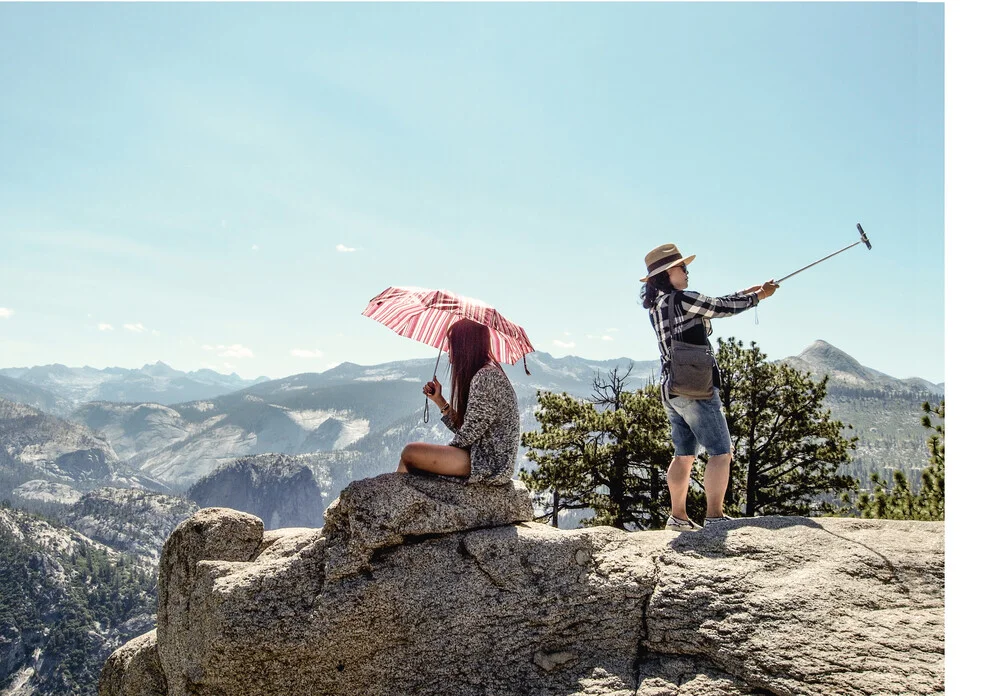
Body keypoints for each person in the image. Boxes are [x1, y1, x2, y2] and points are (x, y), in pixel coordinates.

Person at [640, 243, 779, 530]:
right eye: (682, 267)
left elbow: (713, 302)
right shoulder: (683, 299)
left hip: (672, 387)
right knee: (720, 451)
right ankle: (715, 517)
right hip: (697, 388)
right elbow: (720, 307)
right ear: (668, 273)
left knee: (683, 454)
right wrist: (759, 296)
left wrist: (746, 293)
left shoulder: (658, 306)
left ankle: (678, 517)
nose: (687, 272)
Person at [396, 318, 520, 485]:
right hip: (484, 459)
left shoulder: (486, 376)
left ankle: (394, 502)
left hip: (486, 463)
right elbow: (469, 428)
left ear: (465, 345)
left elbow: (469, 432)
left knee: (410, 452)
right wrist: (439, 400)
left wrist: (443, 453)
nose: (449, 351)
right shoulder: (486, 374)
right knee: (410, 456)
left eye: (452, 344)